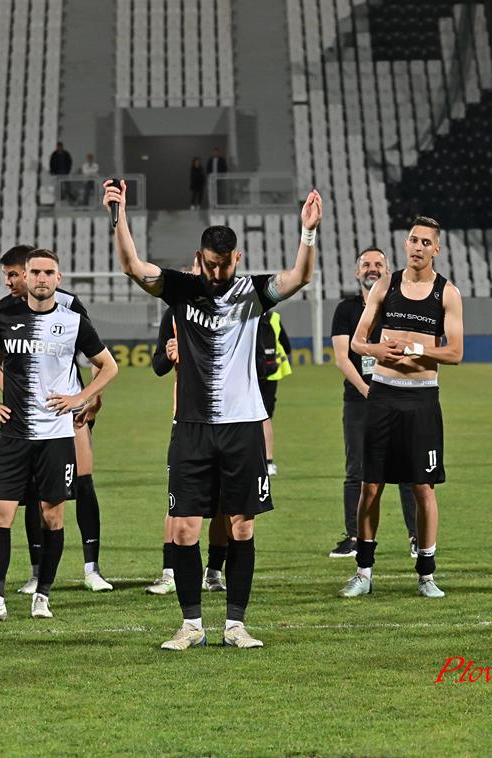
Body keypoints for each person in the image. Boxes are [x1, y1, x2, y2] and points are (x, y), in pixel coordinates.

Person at [105, 178, 321, 650]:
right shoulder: (181, 289)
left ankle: (236, 624)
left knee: (241, 525)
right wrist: (118, 216)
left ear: (237, 258)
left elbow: (300, 277)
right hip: (193, 428)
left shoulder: (253, 292)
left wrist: (307, 232)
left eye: (225, 264)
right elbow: (131, 265)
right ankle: (191, 625)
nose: (217, 272)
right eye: (210, 263)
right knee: (185, 528)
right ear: (199, 258)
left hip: (242, 427)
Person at [0, 249, 118, 622]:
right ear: (26, 277)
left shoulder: (74, 322)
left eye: (48, 272)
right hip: (13, 434)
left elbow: (108, 366)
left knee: (53, 516)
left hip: (56, 435)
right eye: (35, 272)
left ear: (58, 278)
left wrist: (81, 398)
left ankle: (42, 595)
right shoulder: (4, 317)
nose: (41, 278)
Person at [339, 218, 464, 600]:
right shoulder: (385, 285)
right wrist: (377, 349)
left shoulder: (447, 293)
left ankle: (426, 574)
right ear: (406, 245)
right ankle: (363, 572)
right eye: (413, 240)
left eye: (426, 242)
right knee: (370, 486)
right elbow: (358, 343)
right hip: (383, 395)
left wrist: (417, 349)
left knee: (423, 488)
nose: (418, 247)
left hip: (421, 399)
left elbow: (455, 353)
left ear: (436, 249)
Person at [329, 247, 419, 558]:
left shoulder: (401, 306)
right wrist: (367, 390)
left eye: (378, 264)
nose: (372, 268)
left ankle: (416, 536)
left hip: (399, 396)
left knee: (407, 470)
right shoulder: (346, 310)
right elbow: (342, 358)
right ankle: (354, 538)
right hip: (359, 400)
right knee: (356, 470)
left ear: (388, 271)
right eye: (366, 264)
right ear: (357, 272)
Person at [147, 281, 229, 596]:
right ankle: (169, 573)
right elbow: (158, 366)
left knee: (224, 502)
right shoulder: (175, 313)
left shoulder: (235, 311)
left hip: (228, 422)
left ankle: (214, 571)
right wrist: (169, 356)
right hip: (186, 423)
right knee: (178, 501)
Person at [258, 310, 291, 476]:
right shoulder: (275, 317)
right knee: (266, 418)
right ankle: (269, 461)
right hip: (272, 373)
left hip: (251, 373)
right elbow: (287, 347)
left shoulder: (245, 315)